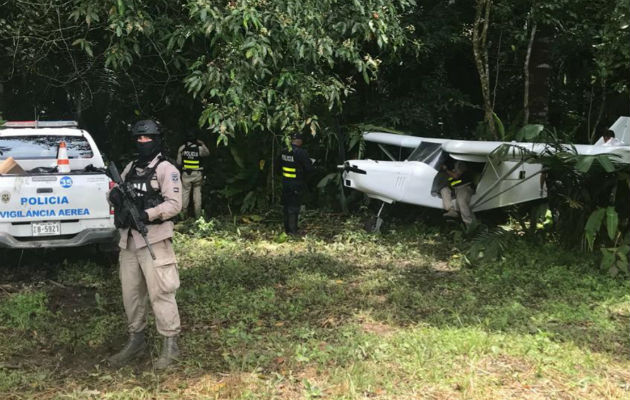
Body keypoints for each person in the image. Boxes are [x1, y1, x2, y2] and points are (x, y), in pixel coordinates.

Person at [108, 119, 183, 370]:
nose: (143, 143)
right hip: (128, 241)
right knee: (131, 295)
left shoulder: (166, 169)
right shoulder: (130, 167)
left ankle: (171, 346)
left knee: (161, 292)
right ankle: (136, 340)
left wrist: (148, 214)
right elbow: (118, 192)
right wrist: (114, 196)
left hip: (154, 240)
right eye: (139, 139)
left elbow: (175, 204)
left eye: (147, 138)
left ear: (157, 139)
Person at [279, 133, 314, 235]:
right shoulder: (301, 152)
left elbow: (277, 166)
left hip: (286, 183)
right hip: (296, 183)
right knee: (293, 208)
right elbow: (308, 169)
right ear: (299, 141)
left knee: (286, 207)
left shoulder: (284, 151)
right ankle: (293, 232)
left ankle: (287, 230)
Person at [176, 132, 210, 218]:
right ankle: (198, 216)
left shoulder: (182, 148)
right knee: (197, 195)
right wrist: (202, 144)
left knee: (184, 195)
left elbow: (178, 163)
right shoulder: (199, 149)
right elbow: (207, 154)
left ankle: (183, 216)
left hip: (186, 175)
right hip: (197, 174)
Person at [440, 159, 475, 227]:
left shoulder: (461, 164)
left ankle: (470, 225)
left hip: (464, 187)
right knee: (444, 190)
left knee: (461, 201)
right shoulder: (448, 165)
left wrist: (446, 169)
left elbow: (456, 176)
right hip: (454, 188)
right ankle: (451, 211)